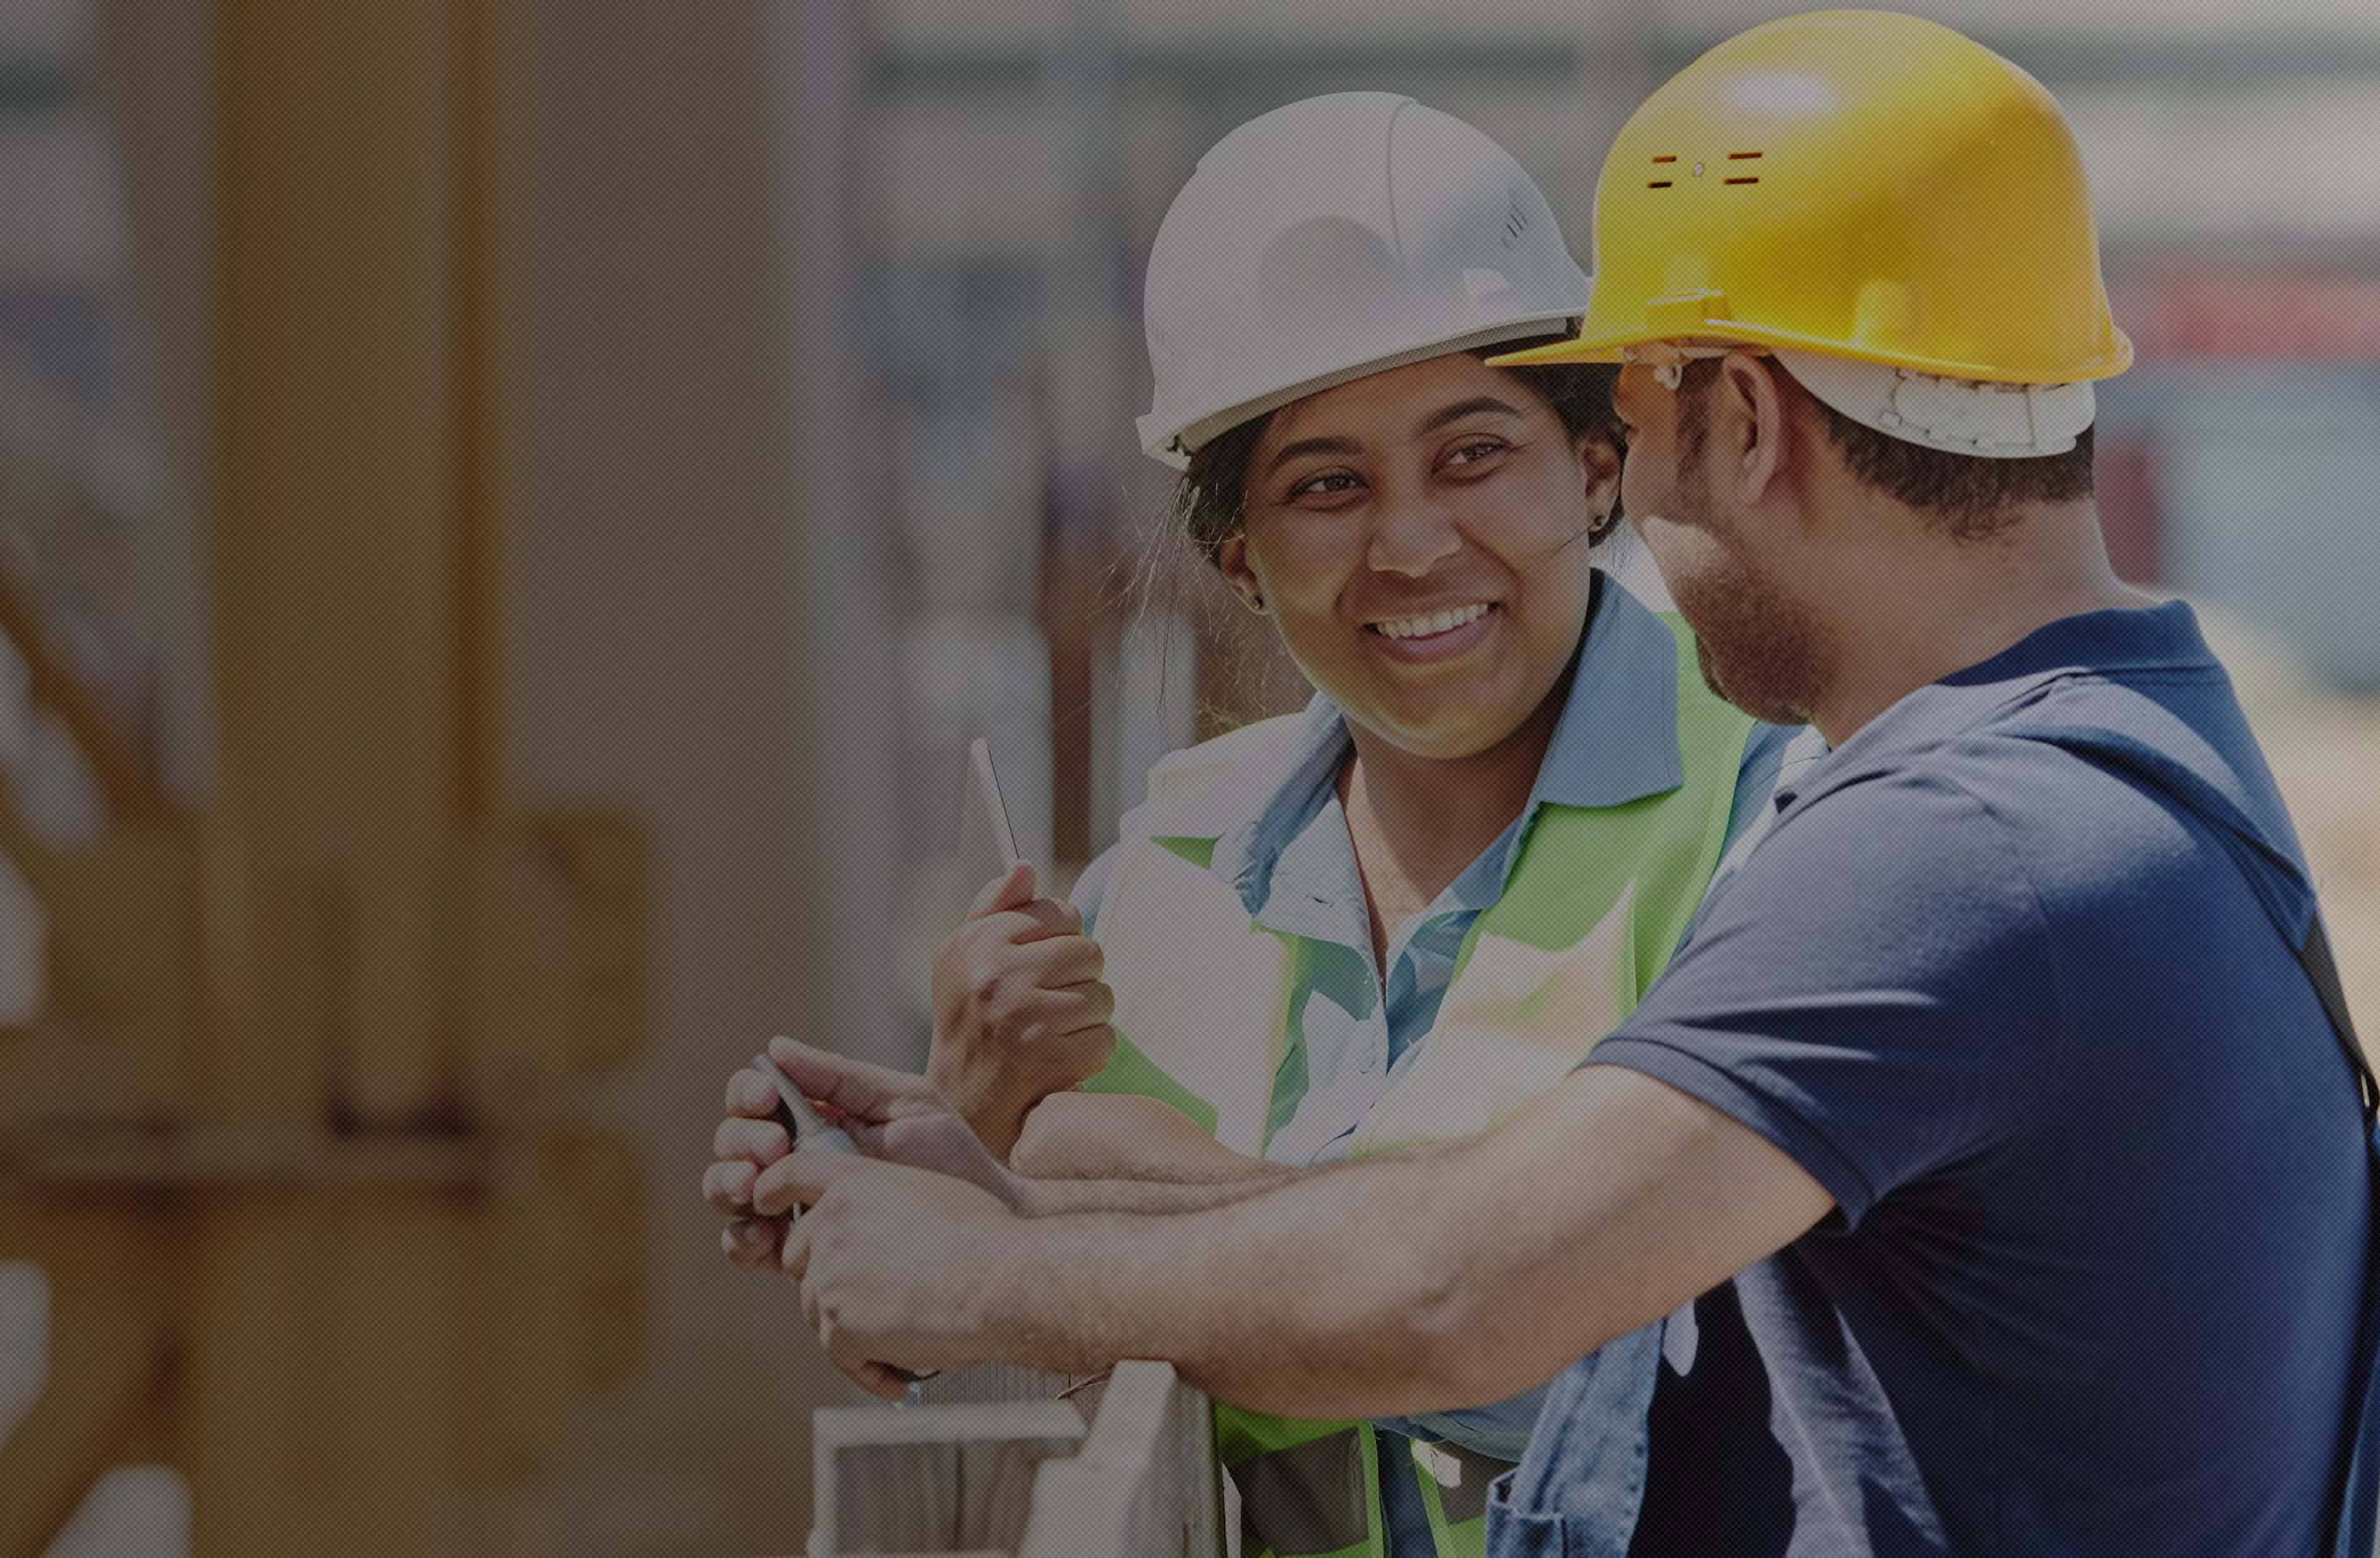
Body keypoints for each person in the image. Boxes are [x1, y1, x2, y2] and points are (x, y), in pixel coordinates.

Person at [715, 13, 2380, 1557]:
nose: (1631, 499)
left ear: (1743, 418)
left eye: (1633, 421)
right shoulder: (2124, 764)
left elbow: (1468, 1293)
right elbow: (1481, 1227)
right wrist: (1015, 1182)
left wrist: (993, 1271)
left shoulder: (1961, 852)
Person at [719, 92, 1806, 1558]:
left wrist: (1142, 1191)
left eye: (1473, 453)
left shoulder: (1767, 825)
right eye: (1327, 484)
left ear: (1594, 468)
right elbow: (1035, 1374)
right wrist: (959, 1138)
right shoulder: (1146, 895)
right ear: (1238, 550)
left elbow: (1667, 1372)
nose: (1412, 542)